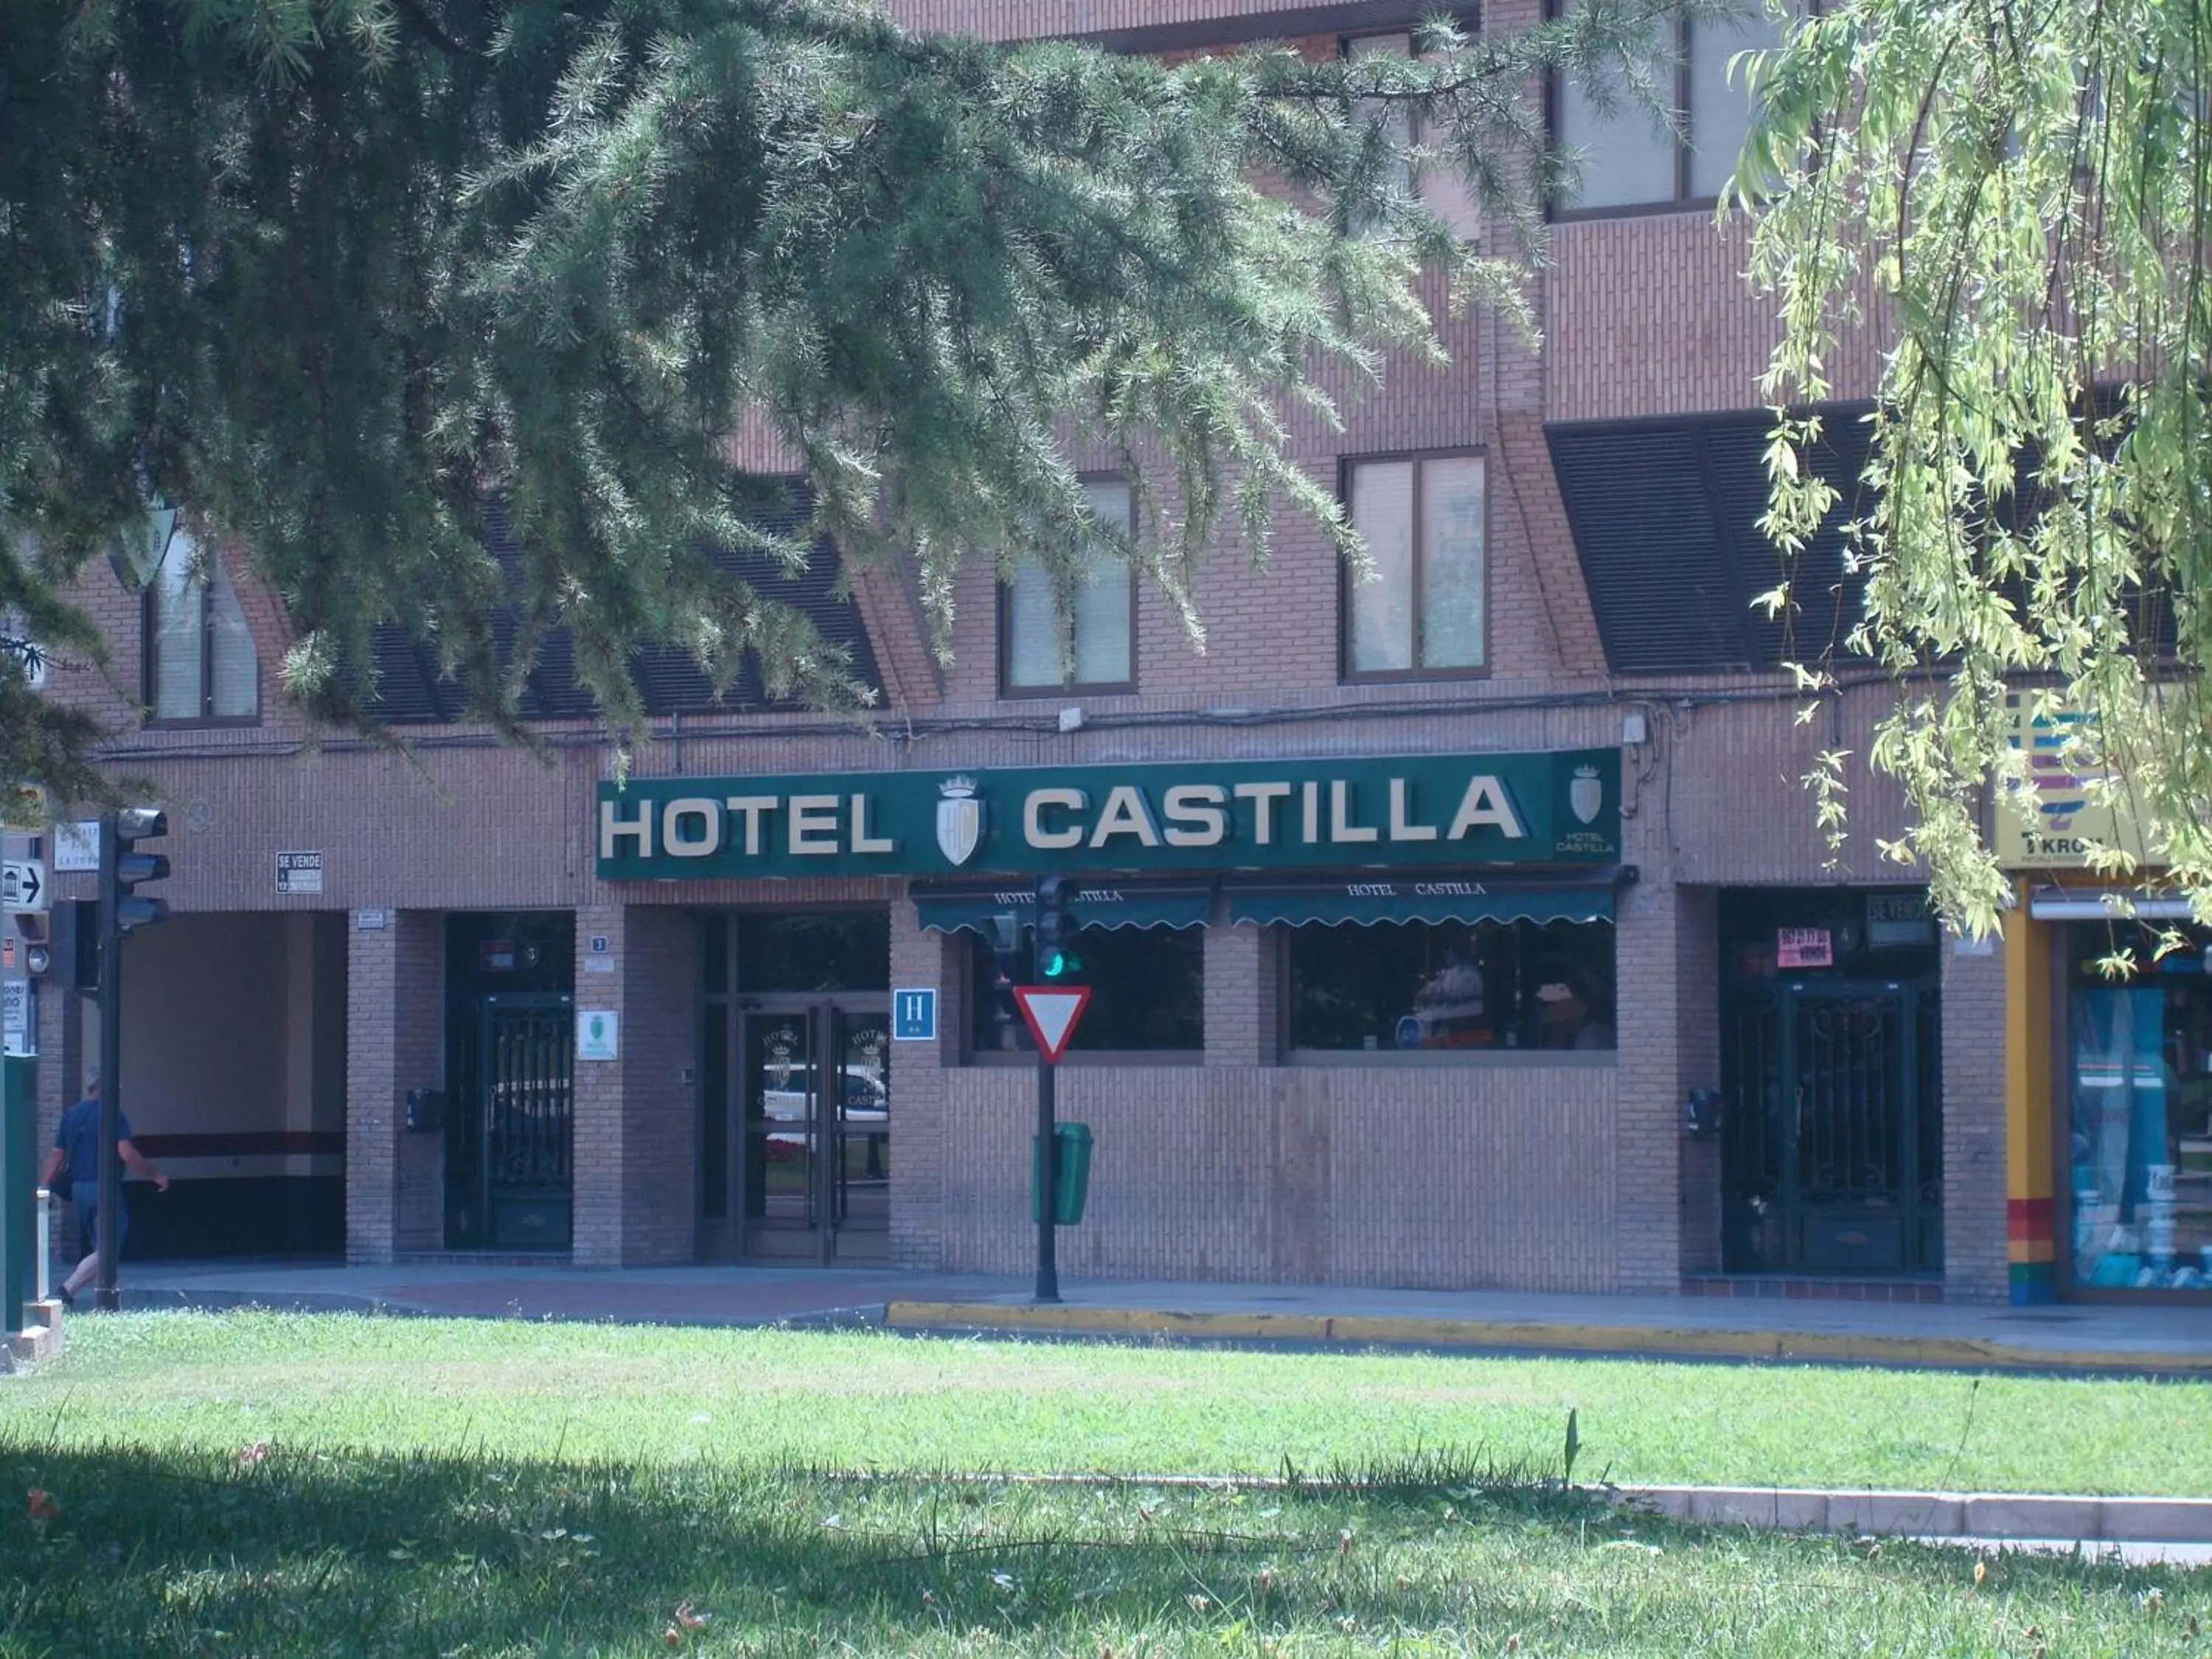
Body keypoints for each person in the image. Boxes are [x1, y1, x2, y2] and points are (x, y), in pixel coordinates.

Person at [36, 1076, 167, 1308]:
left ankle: (109, 1298)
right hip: (104, 1190)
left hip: (79, 1190)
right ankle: (66, 1290)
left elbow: (57, 1155)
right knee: (108, 1248)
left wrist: (43, 1186)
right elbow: (126, 1152)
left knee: (102, 1249)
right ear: (105, 1087)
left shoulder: (72, 1114)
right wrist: (155, 1175)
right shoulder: (113, 1115)